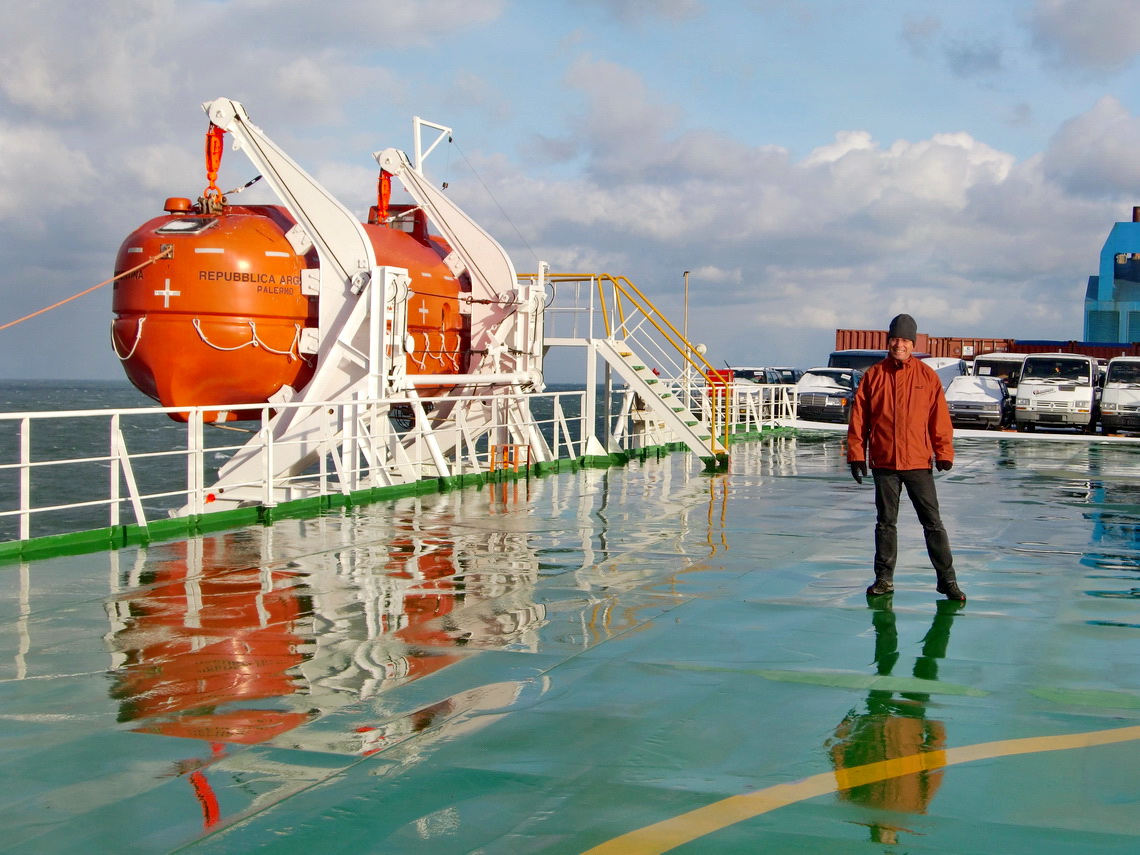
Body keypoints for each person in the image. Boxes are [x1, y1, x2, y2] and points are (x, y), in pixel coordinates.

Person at [847, 314, 965, 600]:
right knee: (886, 523)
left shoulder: (927, 377)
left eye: (904, 340)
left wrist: (944, 452)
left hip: (918, 462)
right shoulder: (874, 376)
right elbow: (859, 418)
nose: (899, 345)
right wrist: (856, 455)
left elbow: (939, 418)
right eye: (895, 340)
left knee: (933, 523)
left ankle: (947, 581)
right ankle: (884, 579)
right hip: (884, 461)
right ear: (890, 342)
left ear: (912, 343)